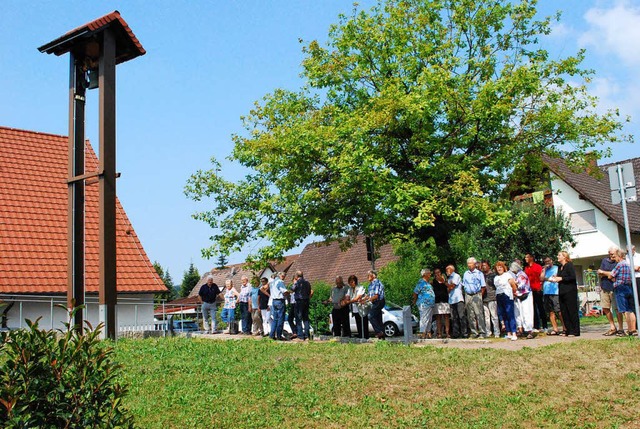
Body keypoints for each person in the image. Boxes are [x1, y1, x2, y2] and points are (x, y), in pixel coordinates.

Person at [602, 248, 638, 336]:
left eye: (616, 256)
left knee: (624, 310)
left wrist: (612, 277)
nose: (615, 258)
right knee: (630, 310)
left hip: (620, 288)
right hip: (628, 287)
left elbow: (611, 275)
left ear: (620, 256)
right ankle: (633, 330)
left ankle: (629, 330)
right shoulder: (628, 264)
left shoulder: (619, 265)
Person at [550, 251, 580, 337]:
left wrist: (561, 278)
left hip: (570, 291)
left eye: (559, 255)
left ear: (564, 257)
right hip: (562, 291)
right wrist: (555, 278)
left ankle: (575, 331)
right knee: (564, 311)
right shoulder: (560, 267)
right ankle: (568, 330)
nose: (557, 256)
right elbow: (560, 278)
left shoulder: (569, 265)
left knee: (572, 310)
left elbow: (572, 277)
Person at [597, 247, 624, 336]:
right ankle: (612, 327)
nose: (611, 255)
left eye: (613, 254)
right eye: (610, 254)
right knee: (605, 307)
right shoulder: (604, 261)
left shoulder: (618, 261)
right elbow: (599, 272)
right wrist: (608, 273)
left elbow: (614, 274)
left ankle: (621, 328)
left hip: (615, 287)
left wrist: (605, 273)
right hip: (604, 287)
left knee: (617, 309)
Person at [462, 257, 487, 338]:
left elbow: (483, 286)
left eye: (470, 263)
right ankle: (474, 332)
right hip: (468, 295)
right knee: (470, 314)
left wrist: (480, 296)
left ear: (475, 264)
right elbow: (464, 284)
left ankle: (482, 332)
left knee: (478, 314)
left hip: (476, 294)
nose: (469, 265)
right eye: (468, 263)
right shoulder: (466, 273)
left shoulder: (479, 273)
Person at [494, 261, 517, 341]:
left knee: (510, 313)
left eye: (500, 267)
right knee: (503, 314)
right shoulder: (496, 277)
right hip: (499, 295)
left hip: (507, 295)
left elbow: (513, 285)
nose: (499, 269)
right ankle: (508, 333)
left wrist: (514, 293)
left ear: (503, 268)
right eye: (498, 267)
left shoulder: (507, 275)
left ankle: (514, 332)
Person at [511, 262, 534, 339]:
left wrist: (514, 284)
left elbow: (522, 286)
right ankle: (523, 329)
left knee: (526, 313)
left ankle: (529, 331)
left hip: (525, 296)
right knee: (520, 313)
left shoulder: (521, 275)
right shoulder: (518, 275)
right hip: (520, 296)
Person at [540, 256, 563, 335]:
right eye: (546, 262)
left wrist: (548, 278)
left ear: (551, 261)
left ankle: (564, 327)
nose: (547, 263)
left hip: (555, 292)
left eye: (548, 261)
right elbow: (541, 278)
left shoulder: (556, 268)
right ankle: (555, 329)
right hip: (546, 292)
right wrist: (544, 270)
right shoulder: (545, 270)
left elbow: (556, 277)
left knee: (559, 311)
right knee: (550, 312)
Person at [524, 253, 546, 332]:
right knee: (532, 308)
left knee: (540, 307)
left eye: (527, 257)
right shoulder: (526, 268)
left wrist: (540, 287)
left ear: (532, 258)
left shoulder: (537, 267)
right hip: (530, 291)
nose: (525, 258)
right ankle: (536, 326)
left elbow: (541, 278)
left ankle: (545, 325)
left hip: (537, 290)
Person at [412, 269, 436, 339]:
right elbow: (415, 293)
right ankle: (422, 332)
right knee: (424, 318)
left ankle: (428, 332)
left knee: (429, 319)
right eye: (429, 273)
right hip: (424, 304)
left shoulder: (427, 283)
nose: (430, 274)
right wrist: (414, 301)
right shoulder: (421, 283)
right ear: (424, 275)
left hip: (430, 304)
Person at [446, 264, 468, 338]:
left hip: (458, 299)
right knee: (454, 317)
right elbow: (448, 290)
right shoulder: (449, 279)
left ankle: (464, 333)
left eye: (447, 269)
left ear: (452, 269)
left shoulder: (456, 276)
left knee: (461, 316)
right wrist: (448, 286)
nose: (446, 271)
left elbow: (452, 287)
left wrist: (445, 283)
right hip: (451, 300)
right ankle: (456, 333)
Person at [480, 260, 500, 338]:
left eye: (485, 265)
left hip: (492, 297)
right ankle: (488, 332)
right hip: (484, 298)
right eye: (482, 266)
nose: (483, 267)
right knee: (486, 317)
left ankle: (497, 332)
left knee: (494, 316)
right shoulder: (481, 275)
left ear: (488, 266)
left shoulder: (493, 275)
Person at [292, 270, 312, 341]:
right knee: (306, 319)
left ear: (296, 276)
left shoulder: (297, 283)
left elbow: (292, 289)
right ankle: (307, 336)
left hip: (299, 301)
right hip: (306, 301)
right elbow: (309, 292)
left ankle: (300, 336)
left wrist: (294, 283)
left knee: (298, 318)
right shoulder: (307, 283)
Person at [365, 270, 386, 339]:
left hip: (379, 301)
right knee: (378, 319)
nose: (367, 276)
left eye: (369, 275)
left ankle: (379, 332)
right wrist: (363, 300)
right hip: (375, 302)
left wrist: (369, 299)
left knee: (370, 316)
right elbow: (369, 295)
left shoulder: (376, 282)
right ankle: (382, 337)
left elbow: (376, 296)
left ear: (373, 276)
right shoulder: (370, 284)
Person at [347, 274, 368, 339]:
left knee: (363, 324)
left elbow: (357, 297)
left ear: (355, 281)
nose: (351, 283)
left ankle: (365, 337)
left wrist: (349, 301)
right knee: (358, 323)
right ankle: (360, 336)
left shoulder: (360, 287)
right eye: (350, 282)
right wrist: (345, 300)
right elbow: (347, 296)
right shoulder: (350, 289)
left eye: (352, 282)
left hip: (362, 309)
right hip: (355, 309)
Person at [269, 272, 289, 340]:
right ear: (280, 275)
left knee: (275, 319)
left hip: (274, 301)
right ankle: (279, 336)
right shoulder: (279, 282)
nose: (284, 277)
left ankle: (271, 335)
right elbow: (284, 291)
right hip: (280, 301)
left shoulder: (273, 282)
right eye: (283, 276)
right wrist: (290, 292)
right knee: (281, 319)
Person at [432, 268, 451, 338]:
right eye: (436, 273)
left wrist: (443, 281)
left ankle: (447, 332)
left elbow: (449, 287)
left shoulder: (445, 280)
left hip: (445, 300)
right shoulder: (433, 281)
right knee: (438, 317)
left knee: (446, 317)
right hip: (437, 300)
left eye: (439, 272)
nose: (437, 274)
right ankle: (439, 333)